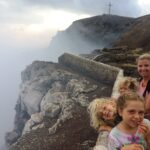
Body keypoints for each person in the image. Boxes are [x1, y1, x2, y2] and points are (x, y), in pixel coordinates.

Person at [137, 53, 150, 120]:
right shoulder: (140, 81)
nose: (143, 68)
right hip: (139, 115)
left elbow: (147, 108)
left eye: (146, 65)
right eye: (140, 66)